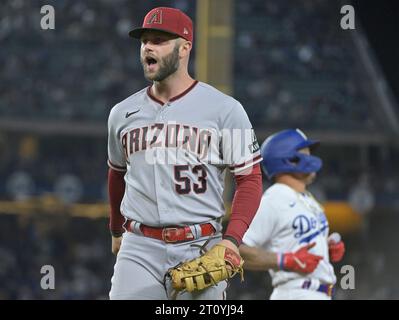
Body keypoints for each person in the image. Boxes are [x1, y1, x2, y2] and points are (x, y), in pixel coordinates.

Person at [107, 7, 263, 300]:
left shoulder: (226, 109)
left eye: (160, 39)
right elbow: (117, 173)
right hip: (139, 247)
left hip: (201, 244)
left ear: (184, 48)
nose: (148, 47)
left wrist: (231, 240)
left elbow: (250, 178)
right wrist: (116, 229)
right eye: (145, 41)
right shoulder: (121, 113)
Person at [239, 129, 345, 300]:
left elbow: (293, 242)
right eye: (305, 153)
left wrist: (324, 246)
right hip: (295, 292)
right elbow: (237, 250)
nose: (310, 158)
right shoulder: (273, 199)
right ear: (289, 160)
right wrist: (285, 260)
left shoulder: (308, 200)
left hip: (320, 292)